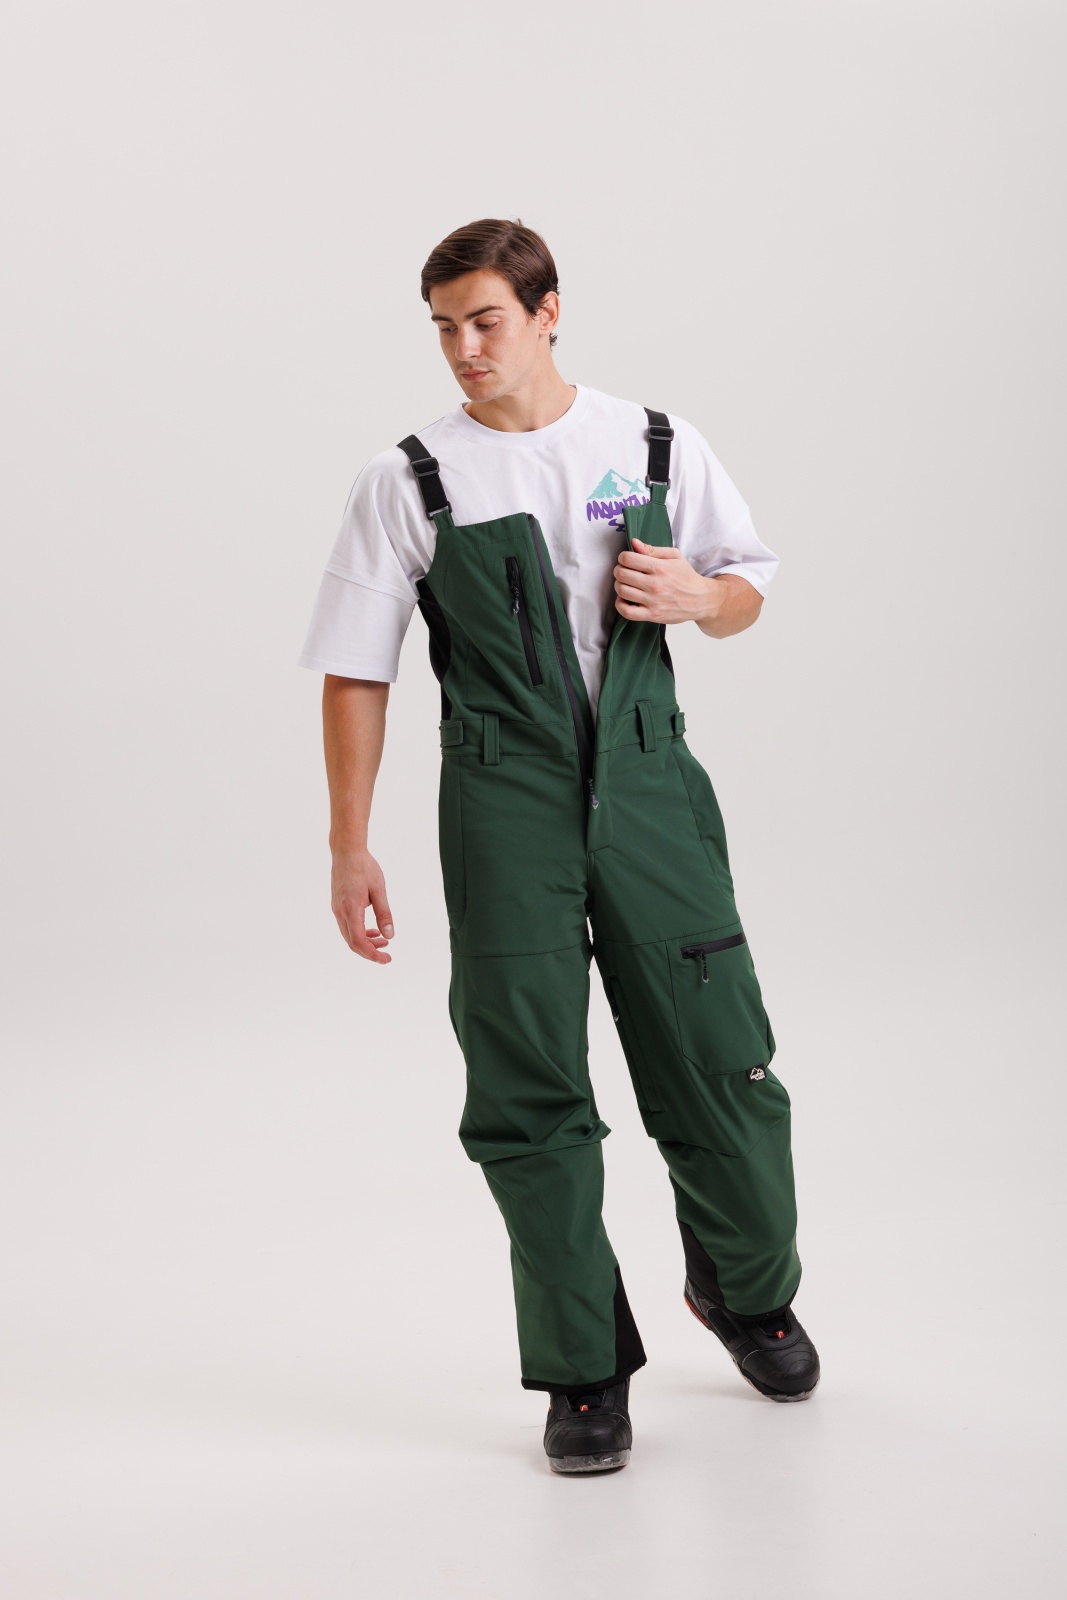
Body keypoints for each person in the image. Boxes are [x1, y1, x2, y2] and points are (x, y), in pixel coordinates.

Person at [299, 218, 819, 1474]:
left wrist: (701, 598)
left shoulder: (650, 443)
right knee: (528, 1090)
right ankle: (583, 1368)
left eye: (484, 320)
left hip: (652, 789)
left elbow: (745, 585)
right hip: (501, 801)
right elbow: (357, 669)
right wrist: (348, 843)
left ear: (546, 311)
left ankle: (743, 1288)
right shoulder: (411, 477)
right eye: (442, 327)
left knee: (721, 1057)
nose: (462, 348)